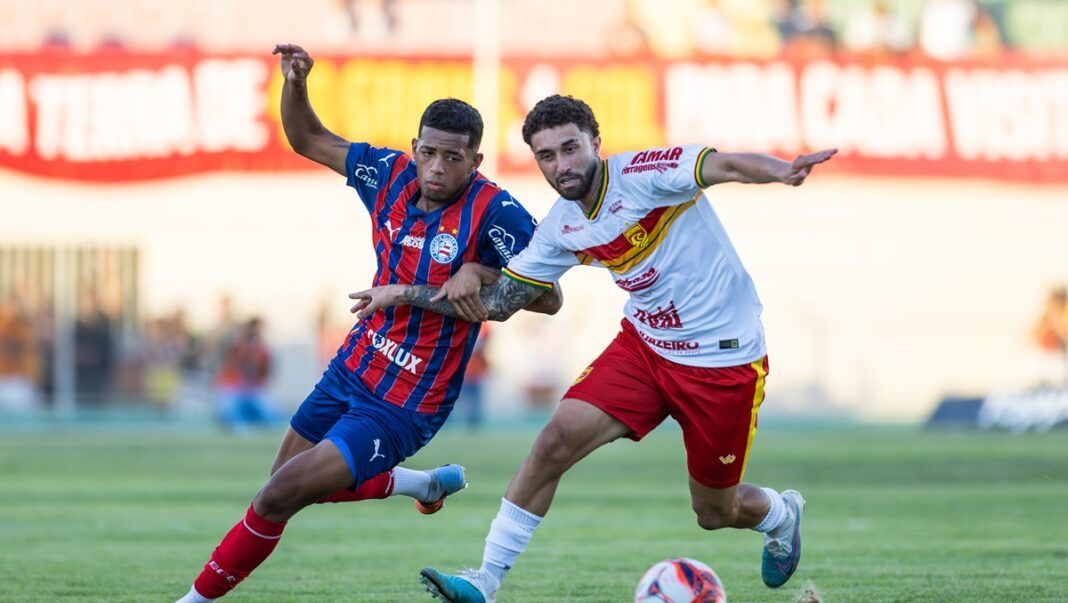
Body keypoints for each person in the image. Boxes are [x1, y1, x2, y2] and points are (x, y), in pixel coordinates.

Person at [349, 94, 836, 601]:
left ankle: (780, 514)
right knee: (553, 442)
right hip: (645, 347)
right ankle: (484, 581)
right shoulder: (560, 227)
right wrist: (410, 290)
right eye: (547, 156)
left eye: (570, 148)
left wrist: (780, 171)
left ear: (595, 143)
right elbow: (499, 304)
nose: (562, 166)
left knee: (715, 513)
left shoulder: (647, 174)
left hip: (721, 360)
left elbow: (724, 164)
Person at [174, 44, 561, 603]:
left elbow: (548, 299)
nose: (436, 167)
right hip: (353, 368)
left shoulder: (495, 213)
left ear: (475, 162)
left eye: (453, 159)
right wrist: (296, 83)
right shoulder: (388, 174)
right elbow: (309, 139)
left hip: (407, 400)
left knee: (277, 496)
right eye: (428, 153)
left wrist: (477, 269)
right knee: (279, 489)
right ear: (414, 147)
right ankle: (417, 483)